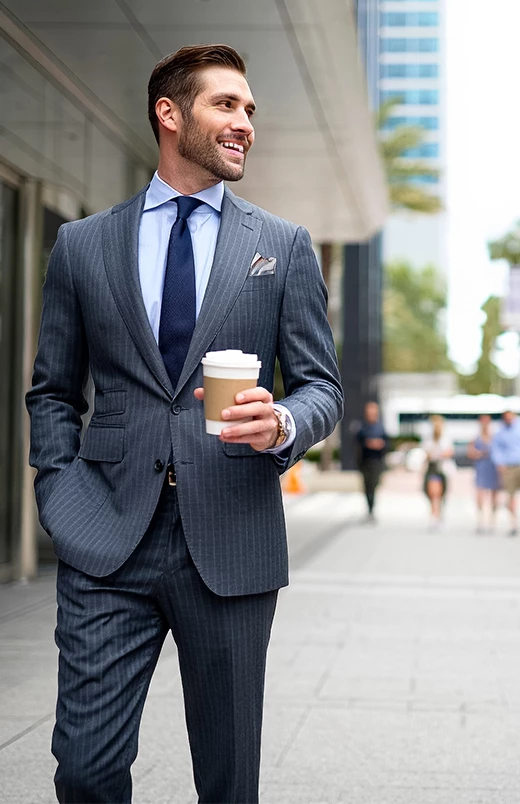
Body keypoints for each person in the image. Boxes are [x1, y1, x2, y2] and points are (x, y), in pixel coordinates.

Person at [26, 44, 343, 804]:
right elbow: (51, 391)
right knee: (86, 769)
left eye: (250, 111)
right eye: (226, 106)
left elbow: (321, 387)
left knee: (228, 781)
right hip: (105, 536)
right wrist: (60, 494)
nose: (246, 125)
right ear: (170, 115)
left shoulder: (283, 246)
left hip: (231, 538)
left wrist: (283, 425)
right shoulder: (82, 245)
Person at [356, 400, 388, 524]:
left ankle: (372, 510)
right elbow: (358, 444)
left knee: (374, 486)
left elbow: (387, 444)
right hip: (365, 462)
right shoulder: (362, 428)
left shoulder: (381, 428)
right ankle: (369, 510)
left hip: (377, 462)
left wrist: (379, 444)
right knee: (367, 486)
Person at [467, 413, 499, 532]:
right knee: (480, 494)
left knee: (494, 494)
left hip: (493, 466)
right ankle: (480, 520)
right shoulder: (475, 437)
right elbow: (470, 452)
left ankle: (492, 520)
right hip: (481, 466)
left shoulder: (494, 436)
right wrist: (479, 454)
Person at [423, 414, 453, 530]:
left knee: (441, 494)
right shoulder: (428, 438)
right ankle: (434, 516)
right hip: (433, 468)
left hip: (443, 468)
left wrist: (437, 454)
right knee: (433, 493)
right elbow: (427, 453)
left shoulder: (446, 438)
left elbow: (449, 452)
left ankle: (438, 516)